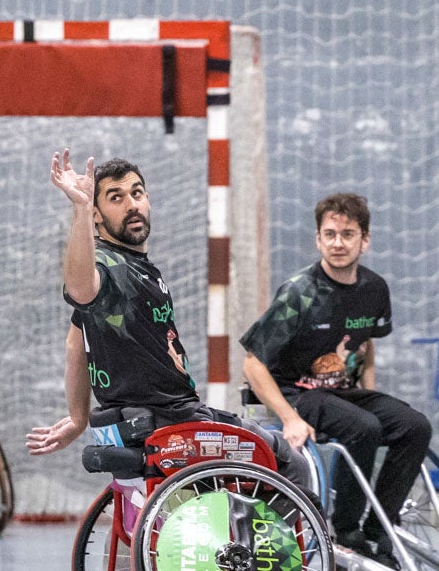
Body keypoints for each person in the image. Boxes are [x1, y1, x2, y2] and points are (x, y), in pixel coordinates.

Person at [25, 152, 310, 493]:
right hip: (172, 425)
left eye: (137, 193)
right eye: (116, 198)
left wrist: (78, 418)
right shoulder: (110, 268)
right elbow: (81, 287)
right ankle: (289, 546)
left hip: (163, 421)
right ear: (98, 215)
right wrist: (80, 211)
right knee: (288, 460)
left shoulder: (135, 266)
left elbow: (75, 345)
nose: (131, 204)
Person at [240, 193, 429, 567]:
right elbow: (252, 364)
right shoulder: (299, 292)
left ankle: (379, 529)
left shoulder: (374, 289)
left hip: (343, 391)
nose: (338, 243)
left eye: (347, 234)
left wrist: (370, 390)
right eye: (330, 234)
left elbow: (367, 341)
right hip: (297, 392)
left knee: (415, 426)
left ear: (365, 240)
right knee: (364, 427)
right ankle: (345, 532)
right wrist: (290, 419)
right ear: (318, 239)